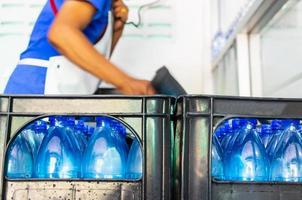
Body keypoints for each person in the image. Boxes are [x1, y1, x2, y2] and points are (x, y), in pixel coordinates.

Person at [4, 0, 156, 95]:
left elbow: (90, 60)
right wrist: (126, 82)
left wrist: (115, 29)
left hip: (54, 91)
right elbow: (60, 33)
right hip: (39, 91)